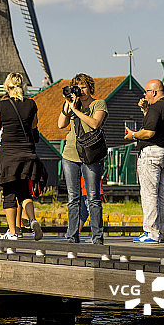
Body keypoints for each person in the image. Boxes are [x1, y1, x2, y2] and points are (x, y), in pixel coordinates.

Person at [0, 72, 47, 240]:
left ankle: (13, 232)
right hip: (27, 155)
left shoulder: (2, 105)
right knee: (24, 193)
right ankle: (33, 220)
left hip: (9, 156)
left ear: (8, 87)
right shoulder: (31, 104)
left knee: (9, 194)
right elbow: (34, 125)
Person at [124, 79, 164, 243]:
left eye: (147, 91)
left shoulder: (156, 107)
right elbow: (158, 125)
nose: (144, 95)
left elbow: (149, 132)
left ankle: (151, 232)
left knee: (149, 194)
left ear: (154, 92)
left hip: (152, 153)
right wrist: (145, 110)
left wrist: (133, 135)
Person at [57, 73, 108, 244]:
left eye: (84, 87)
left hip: (91, 155)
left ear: (90, 87)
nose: (81, 90)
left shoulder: (98, 103)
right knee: (73, 197)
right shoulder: (72, 104)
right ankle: (72, 236)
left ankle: (97, 237)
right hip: (70, 154)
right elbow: (60, 124)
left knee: (93, 197)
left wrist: (76, 110)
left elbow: (95, 123)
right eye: (78, 87)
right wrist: (68, 103)